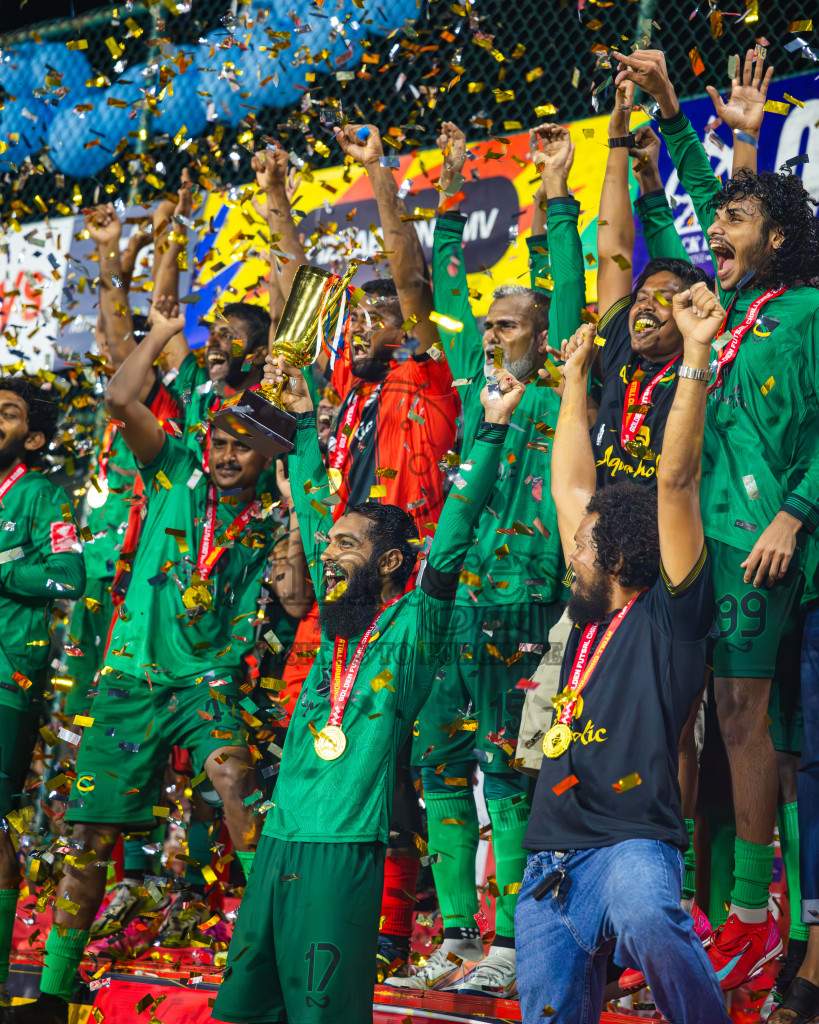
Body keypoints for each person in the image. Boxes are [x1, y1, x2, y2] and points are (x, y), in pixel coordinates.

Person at [210, 351, 526, 1024]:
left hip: (341, 848)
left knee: (322, 1011)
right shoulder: (335, 629)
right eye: (330, 544)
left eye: (347, 546)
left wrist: (492, 431)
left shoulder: (414, 625)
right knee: (243, 1007)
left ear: (387, 563)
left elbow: (452, 541)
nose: (328, 553)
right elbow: (315, 496)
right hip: (278, 842)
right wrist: (299, 416)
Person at [6, 301, 289, 1024]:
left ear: (269, 459)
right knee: (89, 836)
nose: (227, 456)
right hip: (131, 679)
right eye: (220, 443)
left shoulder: (274, 516)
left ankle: (267, 965)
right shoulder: (173, 474)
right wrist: (162, 334)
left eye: (244, 448)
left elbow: (301, 548)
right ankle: (55, 992)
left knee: (235, 780)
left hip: (210, 682)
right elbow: (120, 399)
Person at [615, 44, 819, 990]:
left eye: (739, 222)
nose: (719, 233)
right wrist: (665, 106)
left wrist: (794, 514)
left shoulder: (807, 311)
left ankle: (753, 909)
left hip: (762, 550)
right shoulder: (723, 309)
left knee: (744, 717)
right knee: (703, 719)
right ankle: (707, 902)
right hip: (697, 544)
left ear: (777, 241)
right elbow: (709, 217)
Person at [393, 120, 582, 996]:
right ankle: (457, 935)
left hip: (523, 596)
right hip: (447, 596)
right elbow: (437, 291)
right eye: (493, 322)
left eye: (513, 322)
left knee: (505, 768)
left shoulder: (554, 391)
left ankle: (511, 935)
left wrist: (553, 196)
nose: (497, 332)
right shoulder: (469, 373)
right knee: (438, 762)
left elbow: (564, 294)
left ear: (542, 334)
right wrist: (450, 194)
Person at [516, 283, 729, 1024]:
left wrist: (696, 354)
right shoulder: (584, 616)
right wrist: (574, 379)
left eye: (582, 541)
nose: (570, 546)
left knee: (646, 921)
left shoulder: (668, 617)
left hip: (630, 845)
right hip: (546, 859)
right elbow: (571, 483)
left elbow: (673, 482)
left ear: (617, 552)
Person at [329, 122, 460, 543]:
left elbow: (411, 282)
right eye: (354, 321)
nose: (357, 331)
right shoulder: (353, 385)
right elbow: (296, 290)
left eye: (372, 320)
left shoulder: (427, 375)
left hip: (414, 567)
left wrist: (376, 167)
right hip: (352, 570)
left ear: (406, 330)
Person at [0, 377, 86, 1008]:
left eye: (6, 414)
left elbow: (70, 575)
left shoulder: (41, 496)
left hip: (7, 677)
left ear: (30, 437)